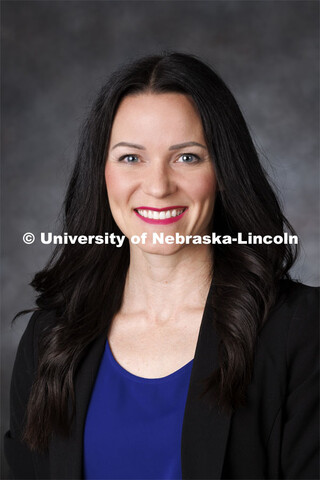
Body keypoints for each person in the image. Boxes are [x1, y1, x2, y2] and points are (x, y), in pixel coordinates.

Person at [4, 52, 319, 480]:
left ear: (223, 170)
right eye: (131, 158)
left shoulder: (299, 330)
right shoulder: (50, 338)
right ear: (102, 173)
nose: (158, 186)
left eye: (187, 157)